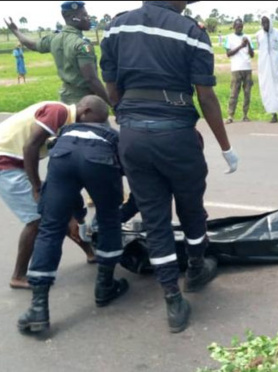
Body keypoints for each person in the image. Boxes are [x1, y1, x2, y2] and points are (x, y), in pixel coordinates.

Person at [101, 0, 238, 333]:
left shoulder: (117, 27)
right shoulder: (191, 32)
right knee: (191, 208)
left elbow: (110, 87)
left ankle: (172, 299)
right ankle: (195, 269)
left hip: (132, 135)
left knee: (154, 217)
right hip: (176, 134)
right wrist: (225, 147)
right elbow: (206, 97)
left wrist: (131, 120)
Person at [17, 96, 128, 335]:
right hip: (101, 158)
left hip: (62, 157)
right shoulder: (112, 136)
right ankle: (105, 286)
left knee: (50, 229)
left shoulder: (64, 132)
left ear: (85, 111)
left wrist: (77, 214)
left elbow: (68, 187)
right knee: (110, 222)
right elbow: (123, 172)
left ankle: (38, 308)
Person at [0, 99, 98, 289]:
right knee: (37, 220)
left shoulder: (65, 123)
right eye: (94, 123)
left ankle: (91, 253)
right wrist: (36, 187)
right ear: (85, 112)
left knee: (57, 207)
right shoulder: (58, 112)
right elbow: (30, 147)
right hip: (6, 162)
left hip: (14, 161)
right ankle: (18, 276)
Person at [4, 2, 109, 105]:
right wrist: (111, 103)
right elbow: (91, 79)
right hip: (84, 104)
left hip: (65, 101)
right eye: (85, 15)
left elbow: (31, 44)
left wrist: (16, 31)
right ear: (74, 17)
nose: (88, 18)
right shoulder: (82, 45)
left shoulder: (54, 38)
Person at [224, 18, 254, 124]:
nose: (239, 28)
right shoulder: (229, 38)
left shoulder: (248, 37)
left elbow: (252, 54)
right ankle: (230, 116)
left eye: (241, 26)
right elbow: (228, 54)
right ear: (233, 27)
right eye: (237, 26)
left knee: (247, 93)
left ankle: (245, 115)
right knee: (234, 93)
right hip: (236, 69)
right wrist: (241, 46)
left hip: (247, 68)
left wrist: (248, 44)